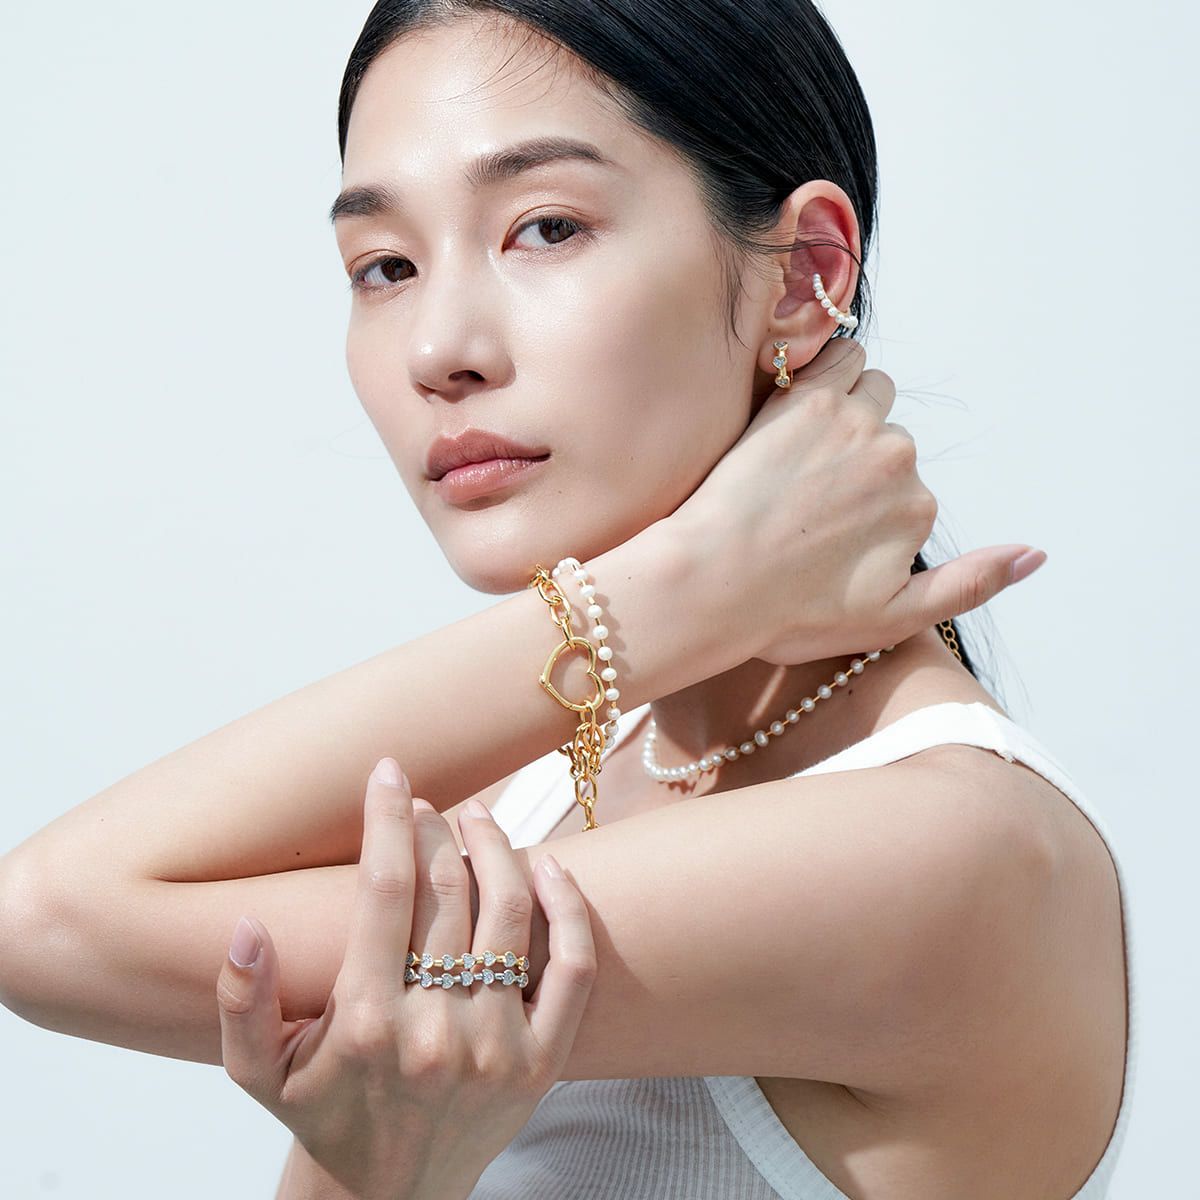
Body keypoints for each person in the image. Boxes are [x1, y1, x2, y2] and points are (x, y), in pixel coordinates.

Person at [0, 2, 1134, 1198]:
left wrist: (665, 601)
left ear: (806, 275)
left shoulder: (953, 854)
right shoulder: (539, 787)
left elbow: (48, 920)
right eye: (386, 267)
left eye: (546, 228)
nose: (438, 349)